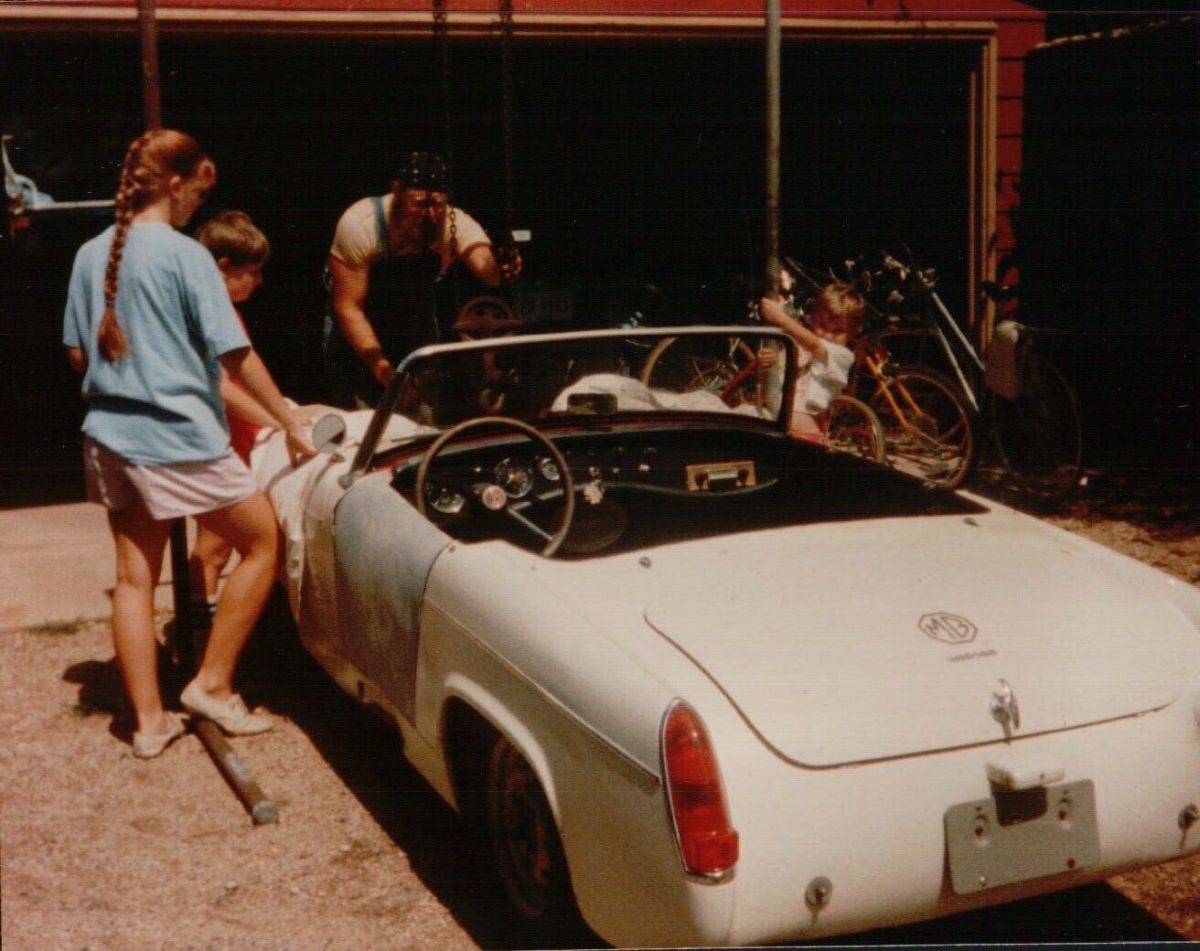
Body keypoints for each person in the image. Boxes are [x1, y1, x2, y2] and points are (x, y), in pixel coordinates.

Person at [62, 129, 317, 759]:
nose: (196, 209)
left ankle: (148, 723)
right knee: (261, 541)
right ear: (176, 185)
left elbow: (75, 353)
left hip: (108, 436)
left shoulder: (91, 253)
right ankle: (211, 683)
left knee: (133, 577)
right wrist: (290, 420)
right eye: (197, 196)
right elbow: (237, 354)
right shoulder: (185, 255)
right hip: (176, 438)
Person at [323, 150, 521, 408]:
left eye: (436, 205)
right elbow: (349, 307)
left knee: (421, 415)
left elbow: (487, 270)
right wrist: (383, 371)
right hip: (358, 332)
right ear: (397, 192)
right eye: (418, 204)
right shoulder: (360, 224)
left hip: (413, 324)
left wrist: (502, 266)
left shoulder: (453, 222)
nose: (428, 214)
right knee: (363, 418)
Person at [188, 210, 301, 625]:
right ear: (223, 268)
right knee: (213, 548)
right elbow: (221, 386)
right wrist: (278, 422)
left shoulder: (224, 309)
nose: (258, 281)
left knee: (222, 545)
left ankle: (213, 636)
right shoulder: (208, 311)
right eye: (251, 272)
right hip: (221, 441)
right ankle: (203, 644)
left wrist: (281, 411)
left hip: (236, 439)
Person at [757, 282, 865, 440]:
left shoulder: (842, 355)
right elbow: (771, 374)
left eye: (838, 331)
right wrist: (766, 362)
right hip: (773, 409)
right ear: (812, 318)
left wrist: (781, 319)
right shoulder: (799, 344)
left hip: (804, 419)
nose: (827, 335)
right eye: (822, 325)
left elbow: (815, 346)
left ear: (853, 333)